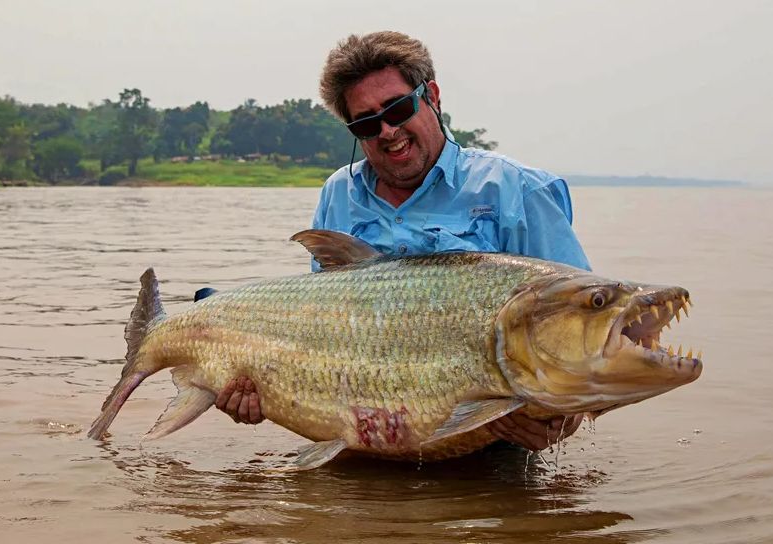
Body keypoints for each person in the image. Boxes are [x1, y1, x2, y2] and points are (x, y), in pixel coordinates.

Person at [215, 31, 590, 452]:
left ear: (432, 96)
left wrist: (565, 418)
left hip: (489, 456)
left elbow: (581, 334)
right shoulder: (338, 194)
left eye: (398, 108)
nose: (388, 131)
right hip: (363, 451)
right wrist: (263, 389)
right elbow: (322, 335)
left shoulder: (517, 189)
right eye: (366, 123)